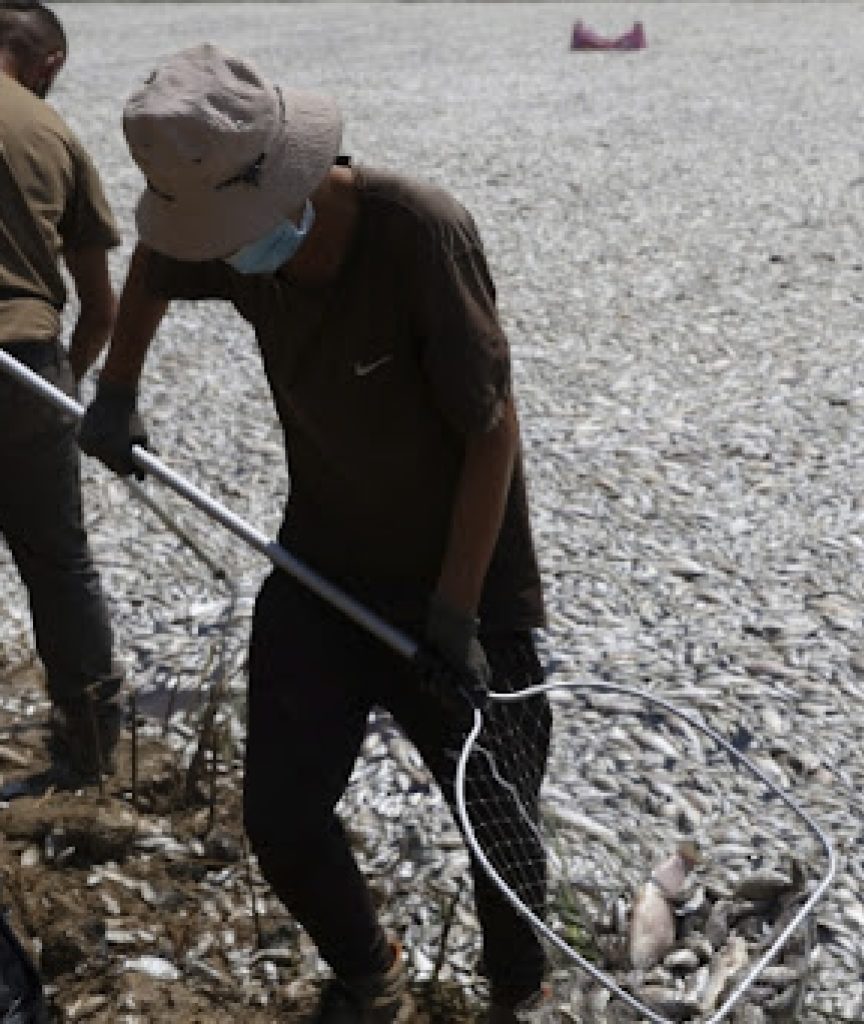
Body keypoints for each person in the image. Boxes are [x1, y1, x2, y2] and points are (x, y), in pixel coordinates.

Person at [80, 44, 552, 1024]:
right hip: (322, 560)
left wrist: (456, 610)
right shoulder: (223, 235)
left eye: (238, 230)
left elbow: (492, 430)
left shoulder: (419, 232)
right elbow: (157, 265)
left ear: (283, 176)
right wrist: (117, 390)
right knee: (281, 815)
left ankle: (518, 995)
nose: (233, 249)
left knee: (497, 820)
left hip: (460, 581)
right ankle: (369, 971)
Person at [0, 0, 124, 781]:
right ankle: (88, 750)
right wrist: (64, 386)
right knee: (57, 560)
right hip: (28, 362)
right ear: (47, 64)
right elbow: (102, 304)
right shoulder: (53, 134)